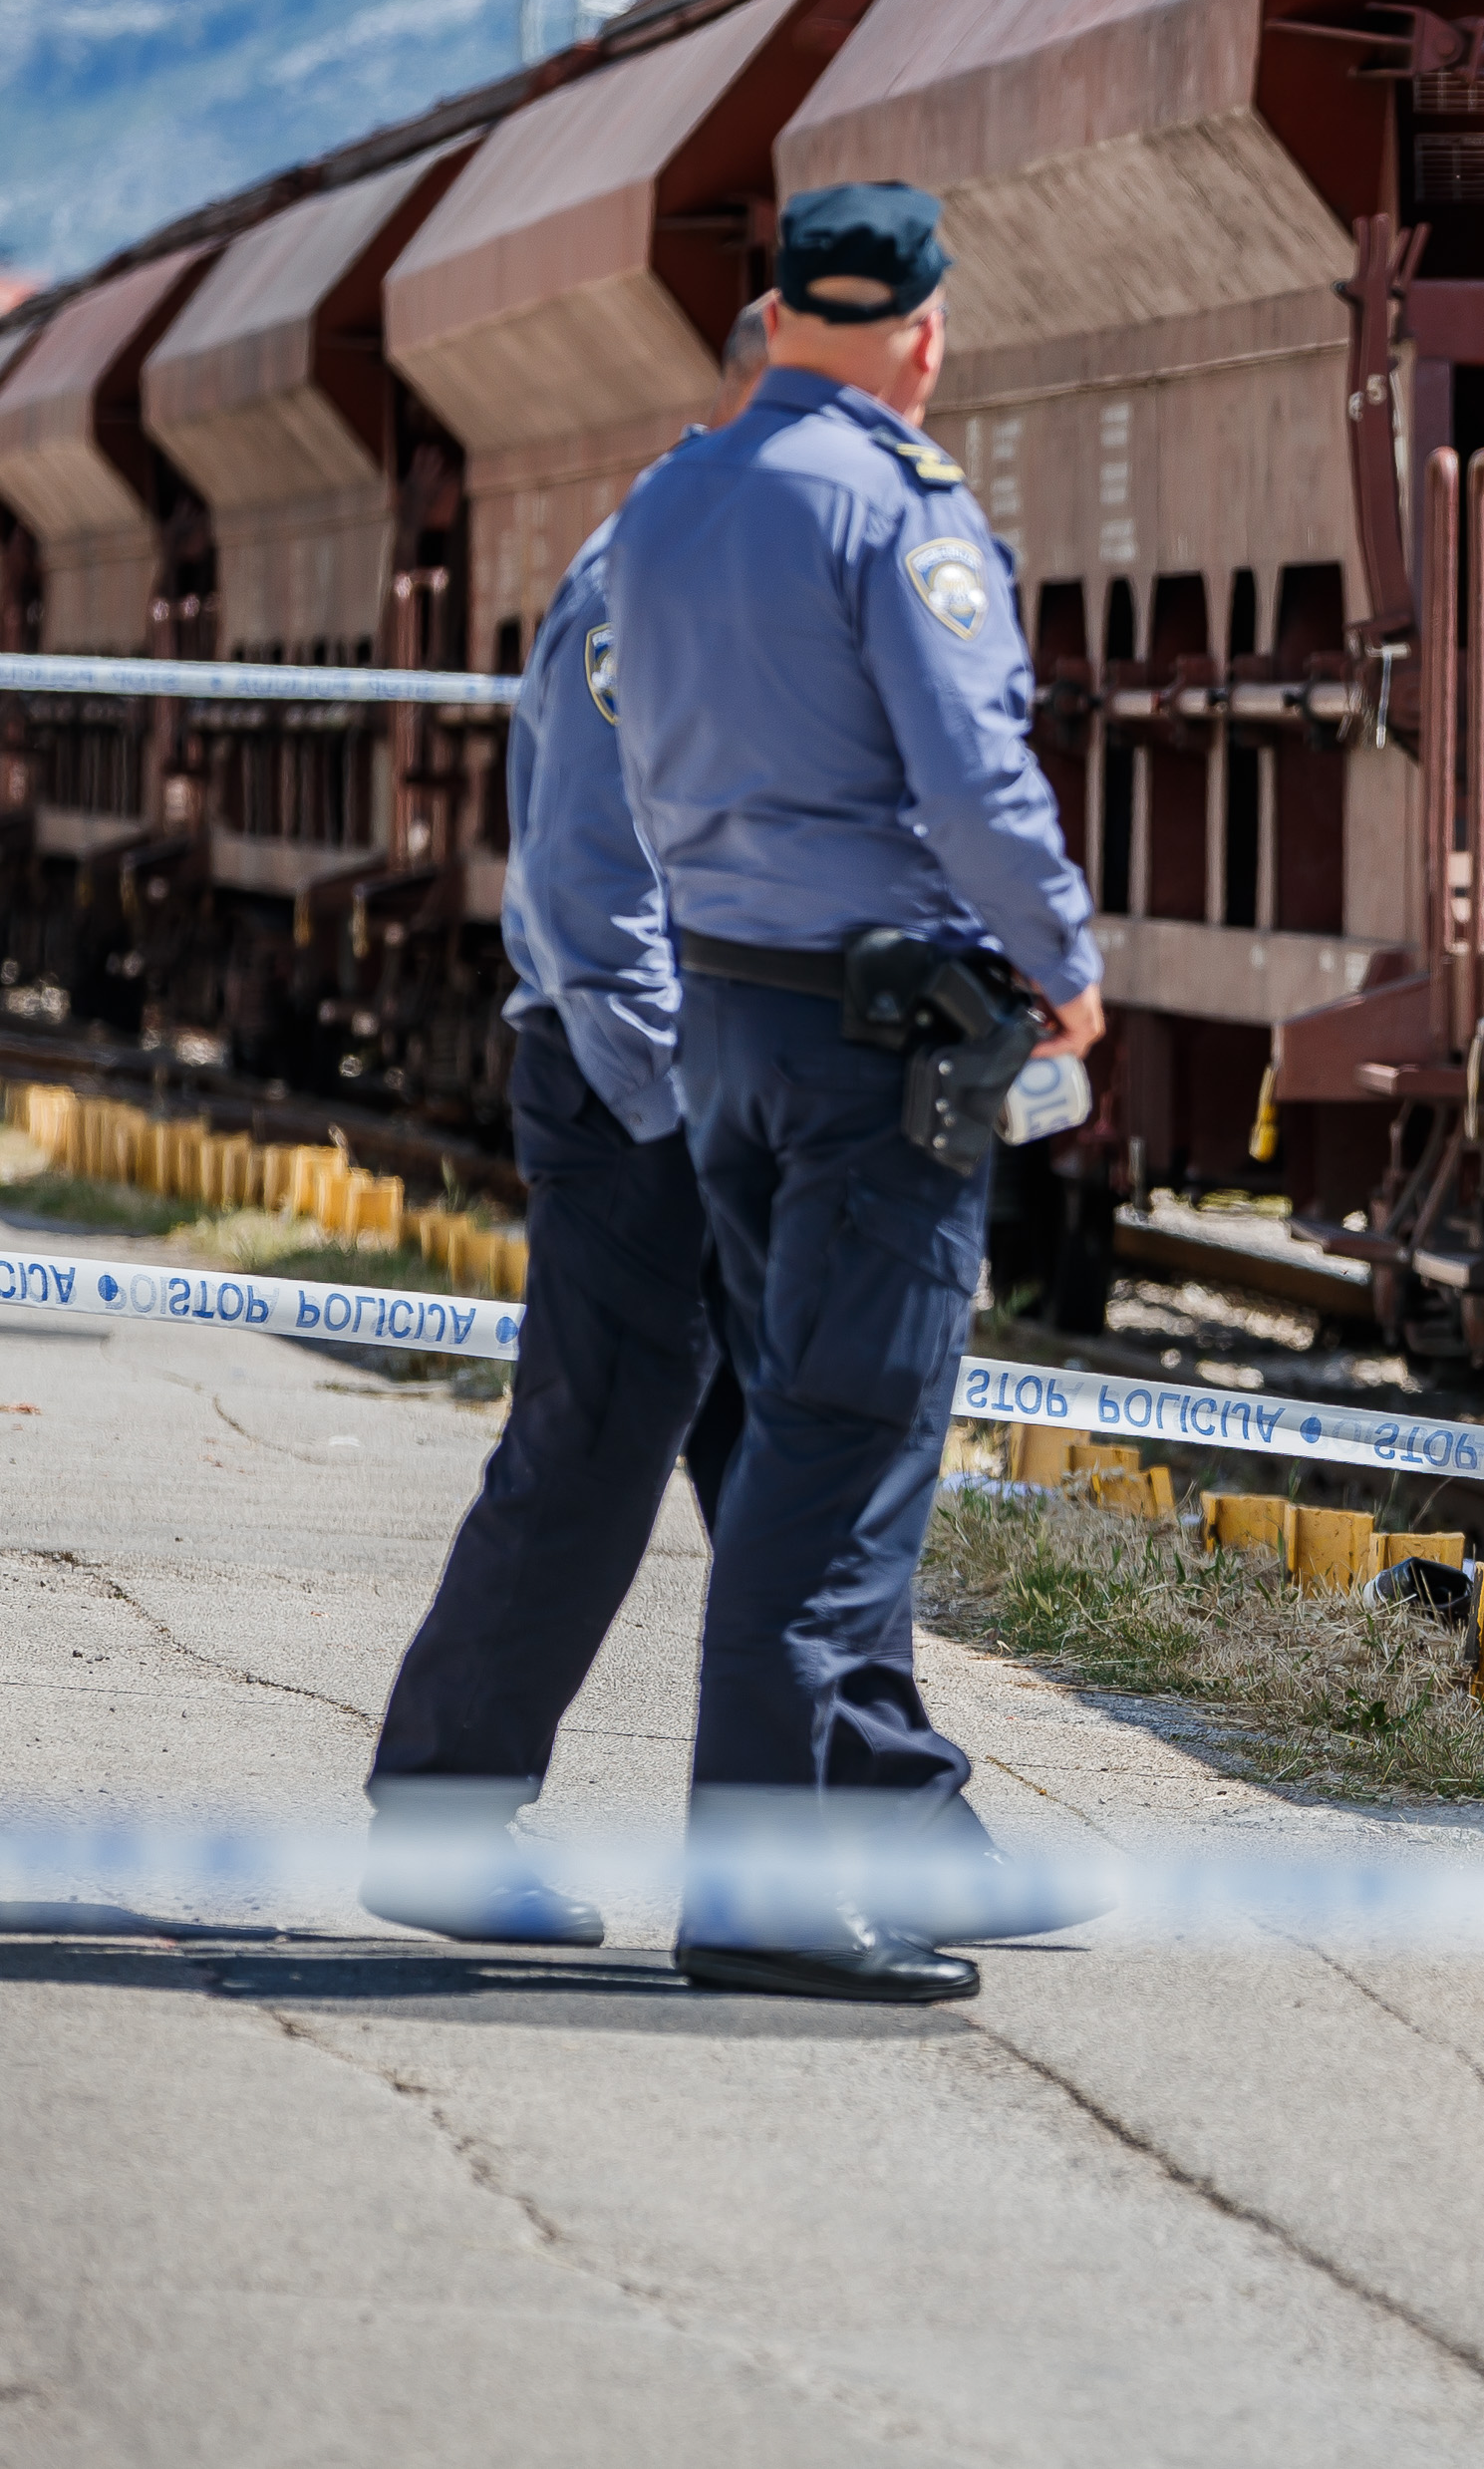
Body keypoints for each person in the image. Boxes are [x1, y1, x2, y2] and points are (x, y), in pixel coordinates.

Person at [611, 182, 1103, 2004]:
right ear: (923, 330)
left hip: (723, 1019)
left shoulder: (668, 502)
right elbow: (975, 778)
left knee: (790, 1425)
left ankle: (871, 1839)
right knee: (849, 1446)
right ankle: (757, 1893)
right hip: (867, 1040)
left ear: (778, 311)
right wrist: (1064, 963)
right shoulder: (895, 511)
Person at [360, 299, 774, 1949]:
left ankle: (878, 1815)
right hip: (639, 1097)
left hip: (726, 1093)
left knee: (784, 1450)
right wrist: (687, 1116)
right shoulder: (644, 581)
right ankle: (444, 1822)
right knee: (600, 1442)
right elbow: (596, 895)